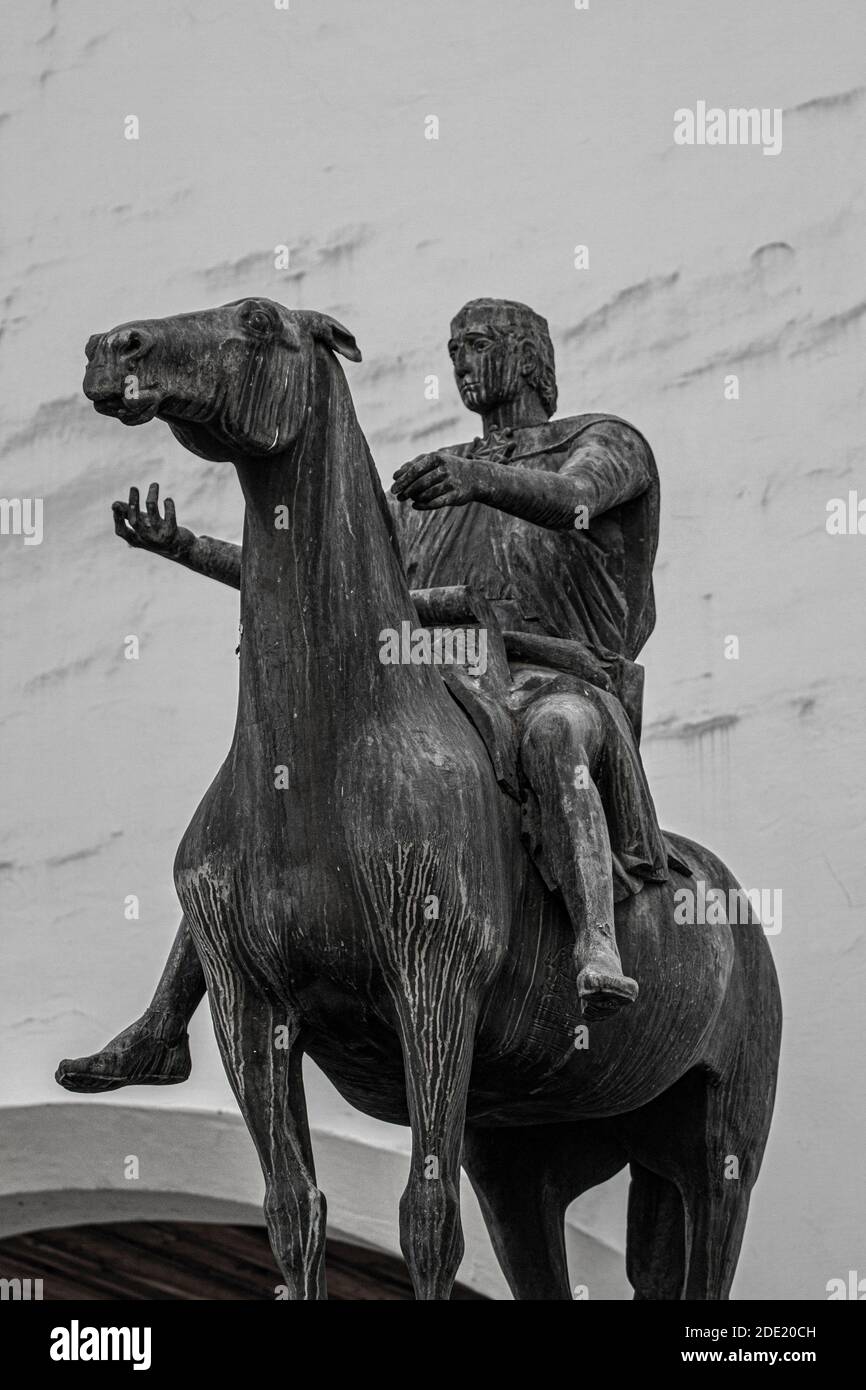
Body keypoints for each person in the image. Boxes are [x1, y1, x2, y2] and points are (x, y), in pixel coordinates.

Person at [57, 297, 669, 1094]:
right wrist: (184, 548)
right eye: (452, 349)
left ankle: (597, 943)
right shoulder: (433, 481)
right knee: (268, 809)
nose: (461, 362)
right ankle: (165, 1022)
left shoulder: (601, 442)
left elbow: (577, 500)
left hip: (554, 676)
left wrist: (476, 479)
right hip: (442, 676)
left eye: (477, 345)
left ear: (527, 358)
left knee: (556, 734)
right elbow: (335, 576)